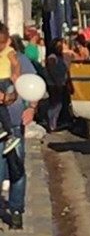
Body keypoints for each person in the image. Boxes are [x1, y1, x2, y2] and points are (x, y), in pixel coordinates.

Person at [0, 34, 39, 230]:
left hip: (15, 124)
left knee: (16, 170)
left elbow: (33, 84)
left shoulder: (19, 59)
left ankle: (16, 211)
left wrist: (32, 107)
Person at [0, 24, 21, 155]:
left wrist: (15, 75)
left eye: (1, 43)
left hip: (5, 80)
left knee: (2, 105)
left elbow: (16, 64)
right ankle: (5, 130)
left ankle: (8, 132)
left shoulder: (9, 51)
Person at [45, 38, 71, 132]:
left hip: (62, 82)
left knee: (60, 104)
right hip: (54, 84)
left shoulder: (61, 57)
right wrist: (57, 83)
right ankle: (51, 123)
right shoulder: (52, 57)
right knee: (55, 104)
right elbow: (52, 71)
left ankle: (55, 122)